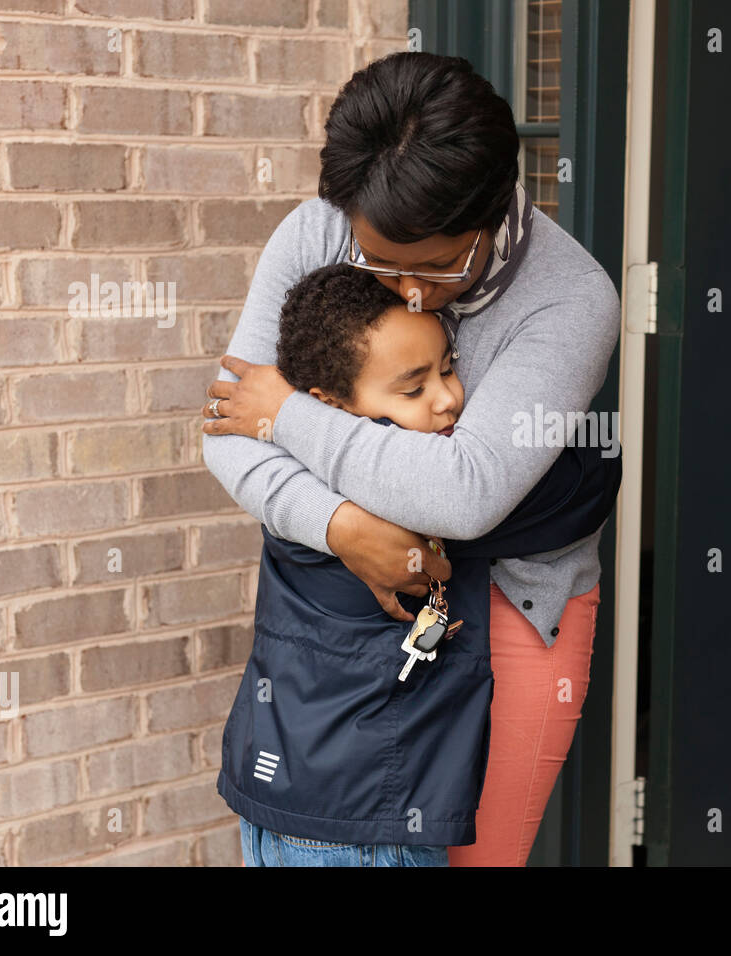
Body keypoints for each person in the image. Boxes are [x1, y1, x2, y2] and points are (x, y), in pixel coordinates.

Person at [201, 51, 621, 866]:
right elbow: (228, 432)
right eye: (380, 264)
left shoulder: (571, 300)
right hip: (347, 606)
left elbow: (467, 493)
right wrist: (342, 524)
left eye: (435, 267)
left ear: (492, 215)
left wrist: (286, 412)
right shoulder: (318, 231)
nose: (409, 294)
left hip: (514, 611)